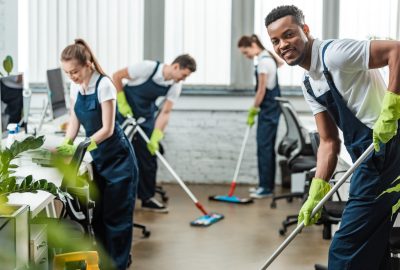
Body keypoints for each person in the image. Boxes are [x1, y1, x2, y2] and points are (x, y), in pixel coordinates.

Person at [266, 5, 400, 269]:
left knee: (345, 250)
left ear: (305, 30)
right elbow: (329, 142)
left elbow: (396, 50)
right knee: (373, 243)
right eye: (275, 41)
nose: (283, 44)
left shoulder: (335, 54)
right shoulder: (308, 83)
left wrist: (392, 106)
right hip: (369, 156)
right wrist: (317, 190)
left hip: (390, 149)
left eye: (289, 34)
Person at [57, 39, 138, 270]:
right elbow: (74, 120)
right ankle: (104, 264)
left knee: (117, 220)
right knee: (100, 218)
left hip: (118, 160)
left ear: (88, 64)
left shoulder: (104, 85)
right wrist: (67, 144)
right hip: (100, 158)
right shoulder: (76, 86)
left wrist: (82, 146)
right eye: (67, 73)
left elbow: (107, 129)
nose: (72, 76)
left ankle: (118, 265)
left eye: (75, 71)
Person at [113, 54, 196, 212]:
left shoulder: (175, 86)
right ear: (176, 66)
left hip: (145, 116)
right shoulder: (147, 67)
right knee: (117, 152)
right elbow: (117, 76)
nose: (183, 79)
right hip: (124, 113)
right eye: (184, 75)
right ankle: (115, 197)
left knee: (149, 157)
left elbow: (165, 112)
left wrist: (156, 136)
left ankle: (147, 198)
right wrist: (122, 101)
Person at [237, 34, 282, 198]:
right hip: (271, 110)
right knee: (266, 148)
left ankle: (265, 188)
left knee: (264, 148)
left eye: (245, 51)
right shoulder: (267, 58)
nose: (246, 55)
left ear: (253, 44)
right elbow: (282, 63)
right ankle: (264, 185)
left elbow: (261, 90)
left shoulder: (263, 62)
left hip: (268, 110)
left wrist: (253, 109)